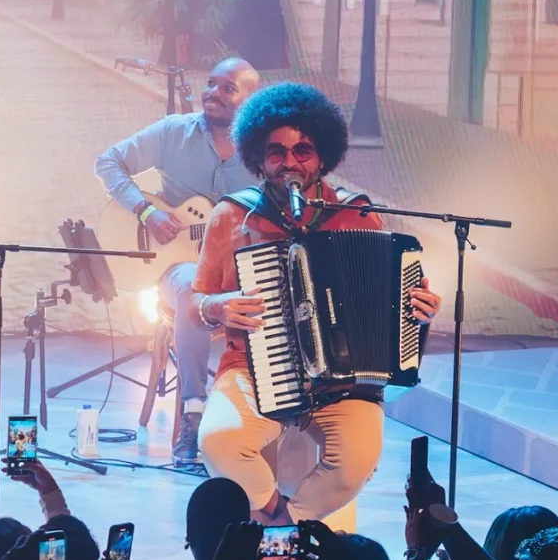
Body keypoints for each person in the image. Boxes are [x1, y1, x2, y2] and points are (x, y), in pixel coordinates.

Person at [190, 83, 439, 533]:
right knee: (219, 442)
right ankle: (271, 516)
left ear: (322, 155)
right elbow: (192, 301)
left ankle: (287, 525)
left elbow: (400, 297)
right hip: (252, 368)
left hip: (343, 380)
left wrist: (419, 306)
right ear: (258, 159)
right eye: (276, 152)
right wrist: (216, 306)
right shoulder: (232, 215)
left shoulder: (358, 215)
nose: (290, 163)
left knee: (356, 460)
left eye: (303, 150)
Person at [93, 57, 262, 466]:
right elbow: (107, 162)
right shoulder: (173, 132)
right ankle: (194, 411)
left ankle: (266, 413)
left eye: (227, 88)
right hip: (178, 268)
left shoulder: (262, 149)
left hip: (242, 269)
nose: (213, 94)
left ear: (251, 101)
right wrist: (146, 212)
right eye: (211, 84)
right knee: (193, 286)